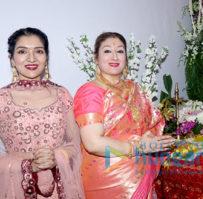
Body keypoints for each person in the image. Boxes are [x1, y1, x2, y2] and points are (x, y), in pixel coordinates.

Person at [73, 32, 175, 199]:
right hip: (107, 177)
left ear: (126, 59)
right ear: (96, 58)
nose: (114, 56)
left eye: (120, 51)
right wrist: (139, 147)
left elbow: (149, 124)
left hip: (138, 170)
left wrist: (149, 136)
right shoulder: (90, 93)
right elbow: (93, 143)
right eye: (107, 51)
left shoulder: (134, 88)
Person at [0, 27, 85, 198]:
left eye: (38, 51)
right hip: (15, 187)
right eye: (22, 51)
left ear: (46, 57)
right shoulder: (2, 98)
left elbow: (76, 146)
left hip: (59, 188)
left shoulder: (62, 94)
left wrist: (56, 157)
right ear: (12, 58)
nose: (31, 58)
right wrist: (27, 165)